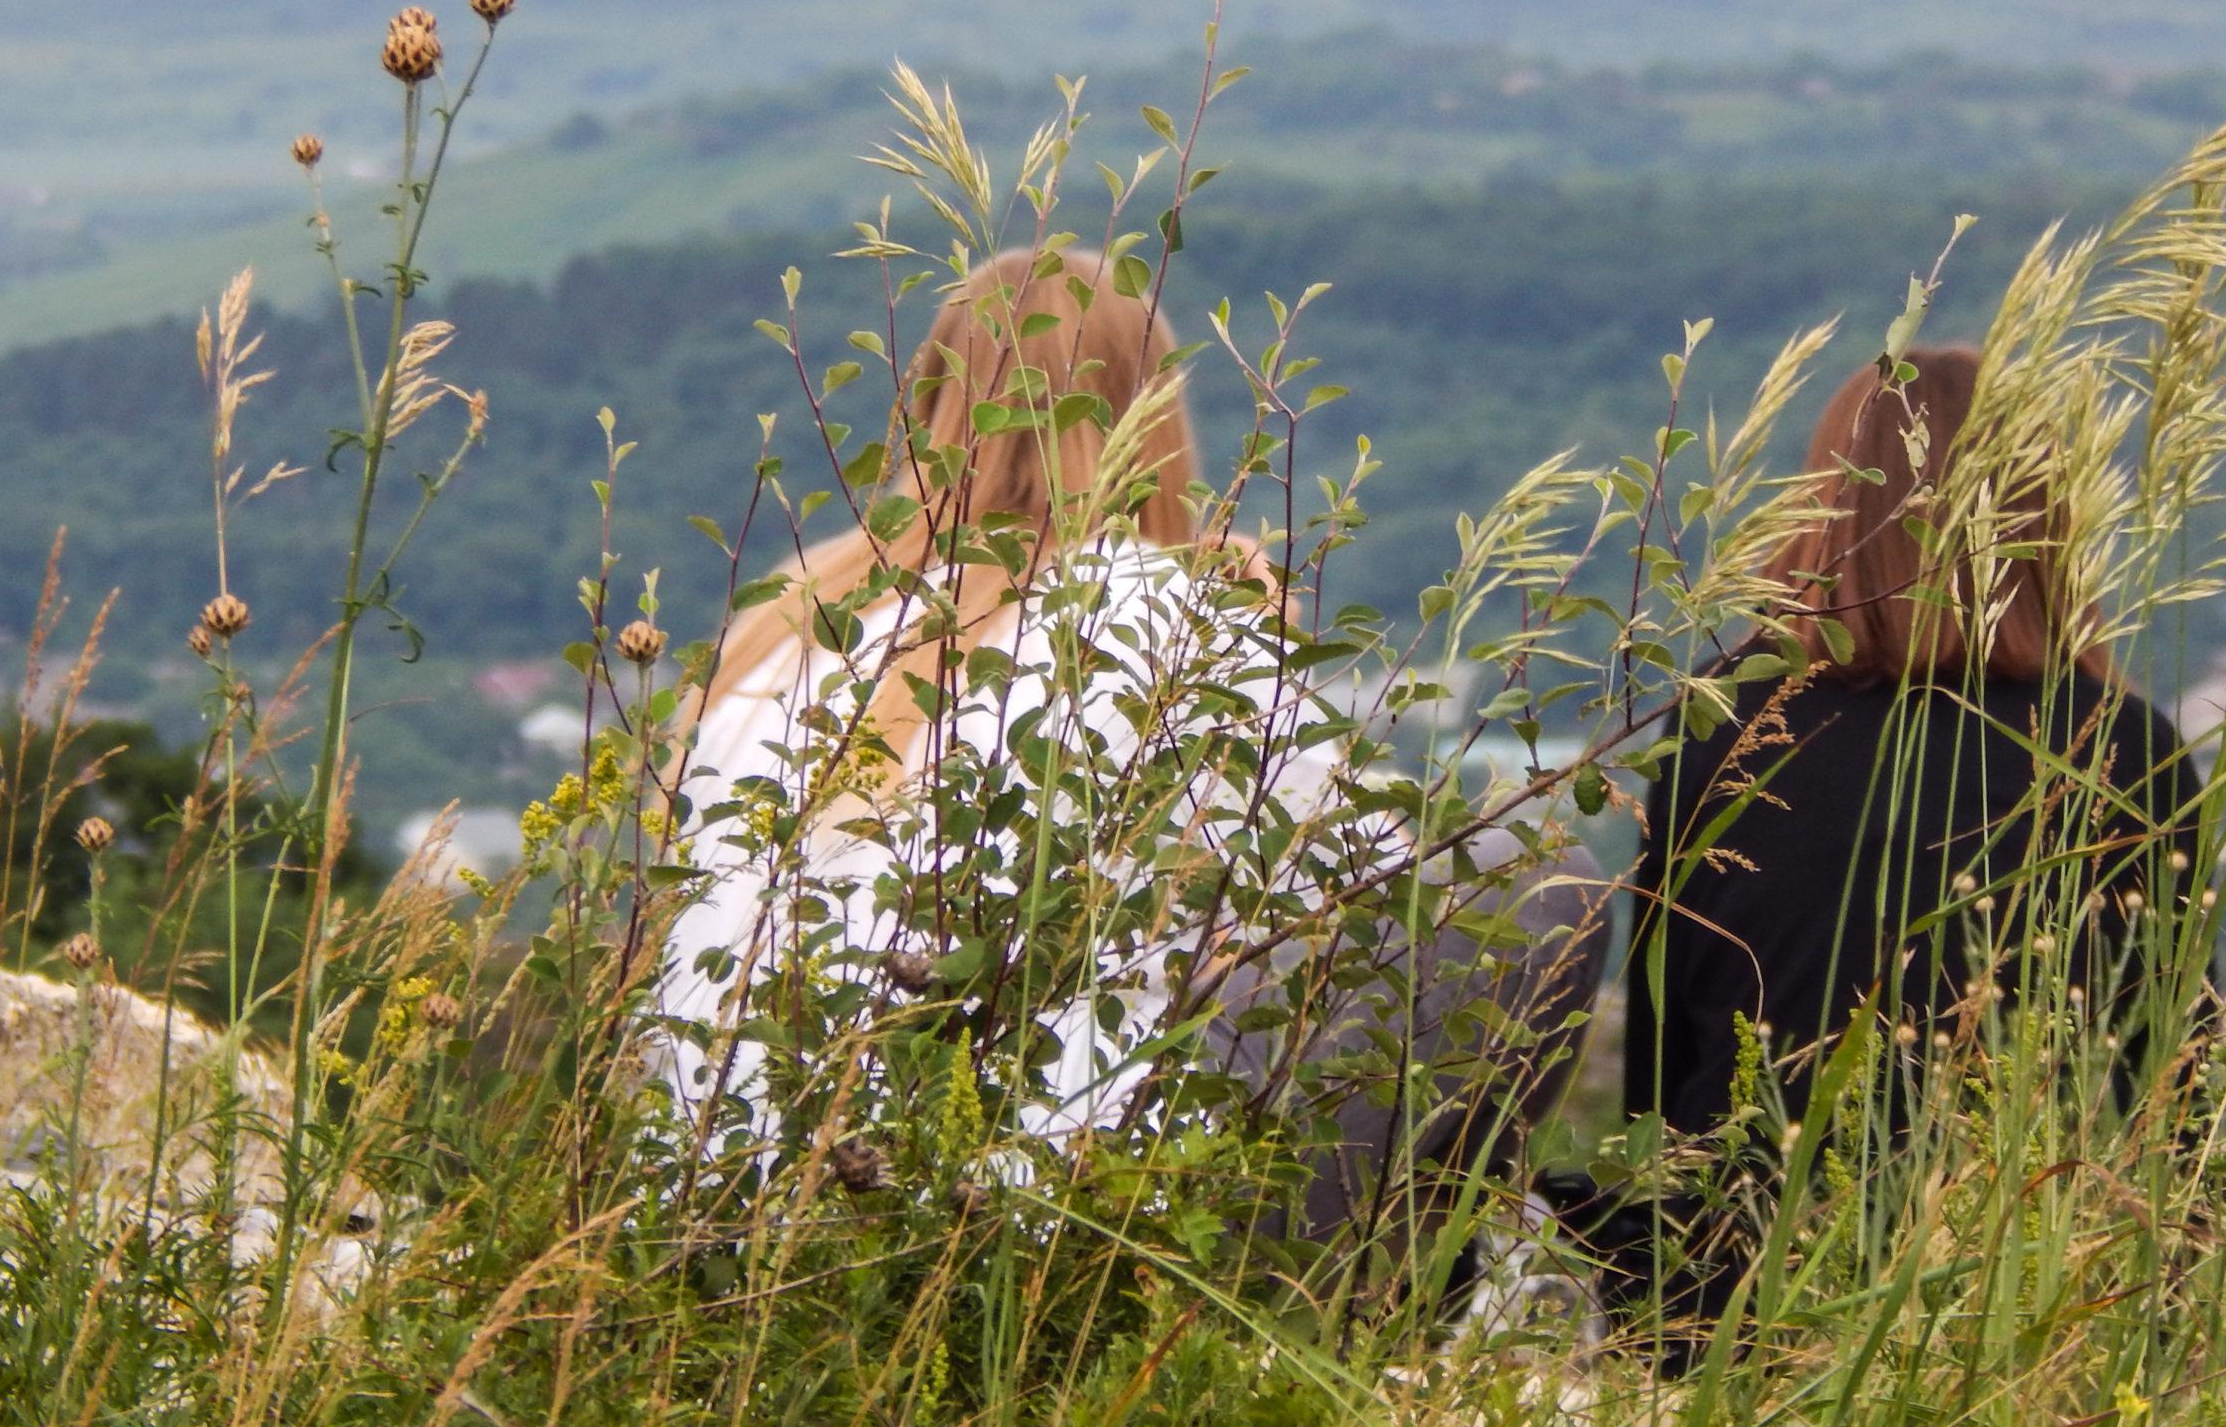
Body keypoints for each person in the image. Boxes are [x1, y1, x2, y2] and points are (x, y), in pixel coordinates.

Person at [656, 249, 1610, 1282]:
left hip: (727, 1215)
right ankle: (1393, 1295)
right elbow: (1360, 900)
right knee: (1532, 880)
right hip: (1028, 1228)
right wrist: (1259, 639)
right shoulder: (1164, 610)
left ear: (931, 400)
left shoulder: (788, 629)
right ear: (1151, 418)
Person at [1580, 346, 2203, 1335]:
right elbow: (2171, 1086)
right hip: (2035, 1294)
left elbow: (1662, 1070)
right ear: (2045, 514)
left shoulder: (1725, 722)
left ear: (1826, 502)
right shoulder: (2118, 745)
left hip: (1730, 1292)